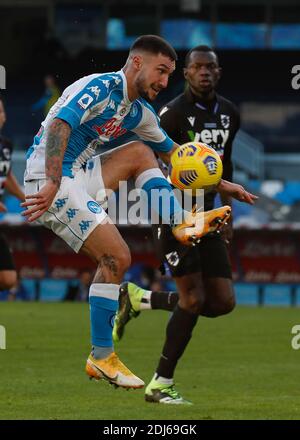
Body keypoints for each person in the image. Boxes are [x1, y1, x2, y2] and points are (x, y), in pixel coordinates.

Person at [22, 35, 254, 390]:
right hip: (49, 177)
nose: (164, 82)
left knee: (140, 153)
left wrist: (224, 185)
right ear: (136, 63)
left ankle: (181, 222)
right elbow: (59, 126)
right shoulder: (101, 87)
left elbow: (176, 155)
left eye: (169, 75)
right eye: (160, 71)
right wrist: (53, 181)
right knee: (116, 256)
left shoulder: (138, 112)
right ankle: (101, 357)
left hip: (78, 174)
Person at [113, 45, 257, 403]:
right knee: (193, 298)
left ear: (218, 72)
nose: (205, 72)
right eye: (197, 67)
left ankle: (140, 298)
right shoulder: (171, 113)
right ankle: (160, 383)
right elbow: (147, 159)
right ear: (187, 73)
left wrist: (227, 213)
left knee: (222, 302)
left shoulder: (229, 113)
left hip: (209, 215)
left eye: (211, 67)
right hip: (174, 213)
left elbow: (225, 166)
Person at [0, 95, 25, 290]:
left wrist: (25, 198)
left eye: (1, 111)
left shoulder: (5, 145)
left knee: (8, 278)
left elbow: (5, 176)